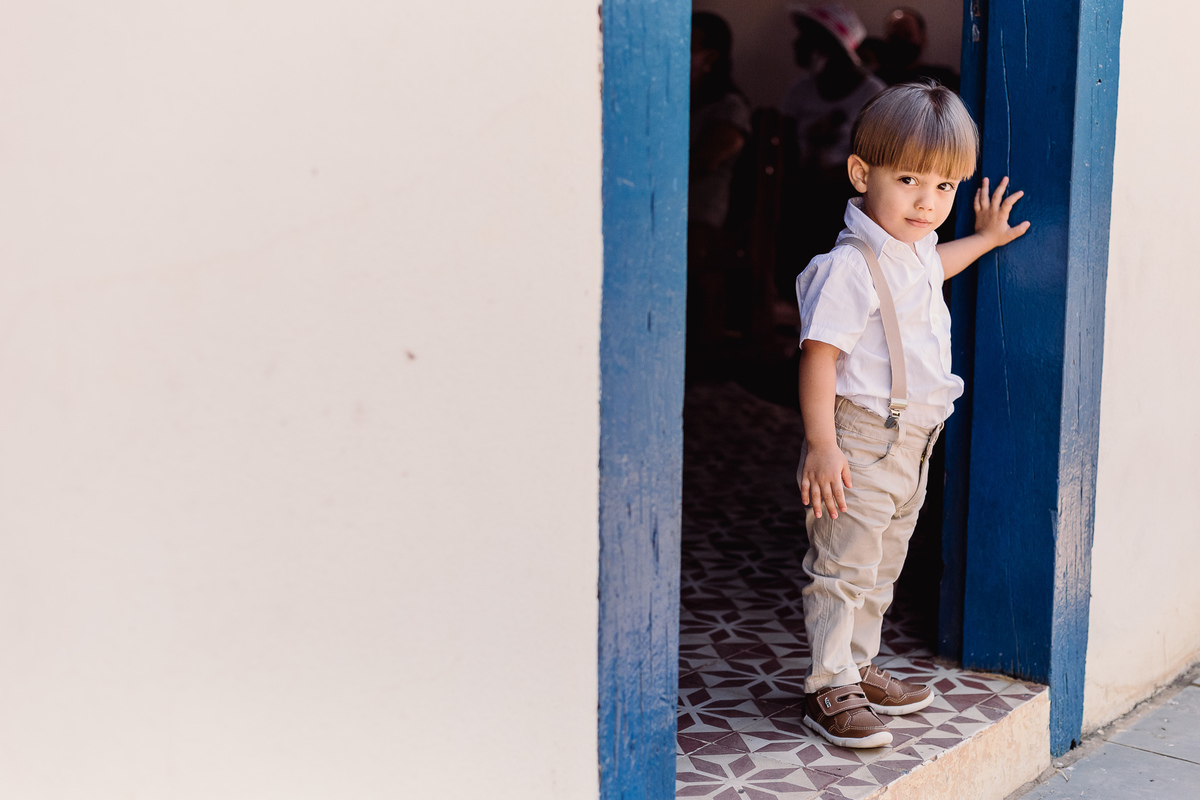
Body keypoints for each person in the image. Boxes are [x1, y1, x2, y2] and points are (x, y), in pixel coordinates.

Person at [793, 82, 1029, 748]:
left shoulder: (914, 248)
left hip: (913, 441)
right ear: (862, 174)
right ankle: (827, 684)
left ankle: (858, 664)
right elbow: (818, 357)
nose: (929, 202)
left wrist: (981, 238)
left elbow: (935, 272)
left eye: (946, 186)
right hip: (860, 439)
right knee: (842, 564)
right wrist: (821, 444)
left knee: (882, 560)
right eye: (909, 180)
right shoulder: (848, 267)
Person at [777, 4, 885, 296]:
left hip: (843, 195)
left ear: (828, 47)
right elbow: (782, 146)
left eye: (805, 38)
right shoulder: (800, 91)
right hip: (800, 190)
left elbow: (877, 158)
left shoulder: (871, 94)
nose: (796, 45)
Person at [686, 11, 752, 377]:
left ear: (710, 56)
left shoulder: (729, 106)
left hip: (703, 213)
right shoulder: (678, 100)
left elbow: (705, 162)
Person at [876, 7, 960, 91]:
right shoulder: (876, 79)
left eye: (907, 35)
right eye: (895, 36)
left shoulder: (943, 79)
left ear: (922, 39)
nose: (901, 41)